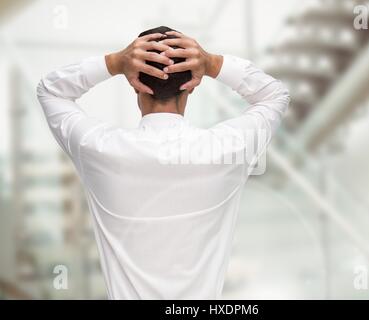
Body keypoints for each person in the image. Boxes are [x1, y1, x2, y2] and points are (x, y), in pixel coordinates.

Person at [36, 26, 290, 299]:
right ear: (191, 87)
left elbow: (50, 90)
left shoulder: (100, 148)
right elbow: (275, 95)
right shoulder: (224, 150)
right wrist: (212, 63)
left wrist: (114, 63)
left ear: (135, 84)